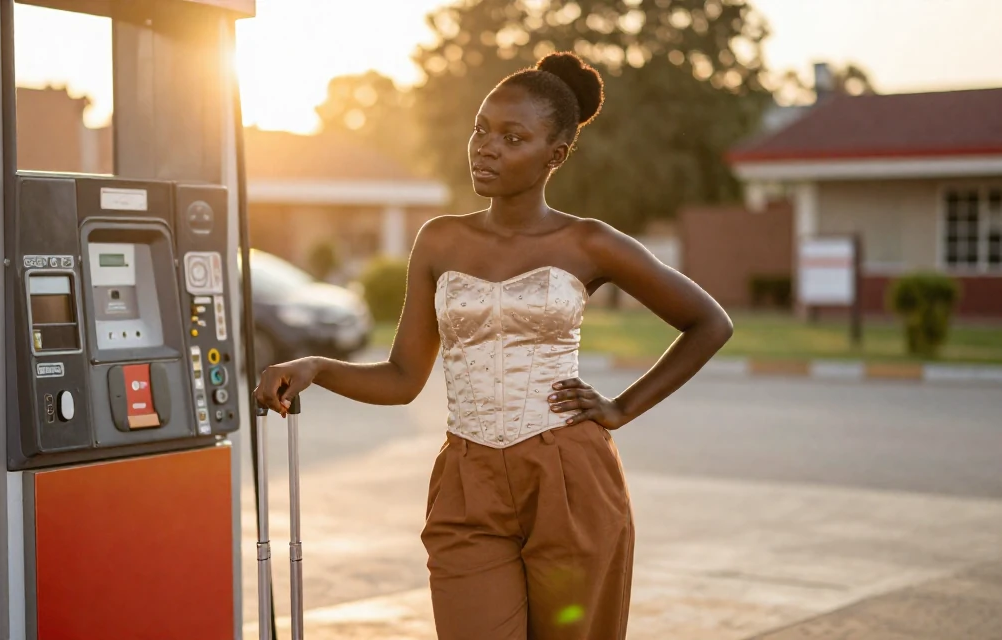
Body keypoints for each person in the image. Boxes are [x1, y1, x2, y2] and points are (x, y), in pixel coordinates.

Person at [254, 51, 734, 640]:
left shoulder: (591, 243)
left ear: (554, 155)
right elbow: (404, 378)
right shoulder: (439, 241)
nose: (486, 146)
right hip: (467, 482)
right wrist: (318, 366)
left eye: (512, 137)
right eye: (481, 129)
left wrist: (621, 409)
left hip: (570, 478)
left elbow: (709, 323)